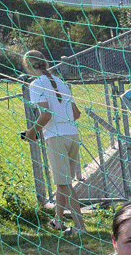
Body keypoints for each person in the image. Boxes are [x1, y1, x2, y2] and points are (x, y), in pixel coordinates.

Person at [23, 50, 87, 235]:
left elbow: (46, 115)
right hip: (73, 135)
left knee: (64, 184)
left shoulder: (36, 84)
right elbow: (76, 114)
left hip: (56, 138)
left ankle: (80, 227)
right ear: (45, 63)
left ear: (28, 67)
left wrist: (31, 132)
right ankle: (58, 220)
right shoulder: (61, 82)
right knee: (63, 182)